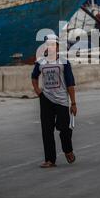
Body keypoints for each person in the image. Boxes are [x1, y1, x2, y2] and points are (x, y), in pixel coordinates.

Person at [31, 34, 77, 168]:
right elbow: (34, 77)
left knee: (65, 128)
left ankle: (68, 149)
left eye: (53, 45)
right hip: (46, 99)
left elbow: (70, 84)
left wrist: (73, 103)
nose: (51, 47)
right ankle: (50, 160)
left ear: (57, 47)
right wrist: (38, 91)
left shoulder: (64, 62)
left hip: (62, 100)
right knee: (47, 130)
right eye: (48, 45)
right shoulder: (40, 62)